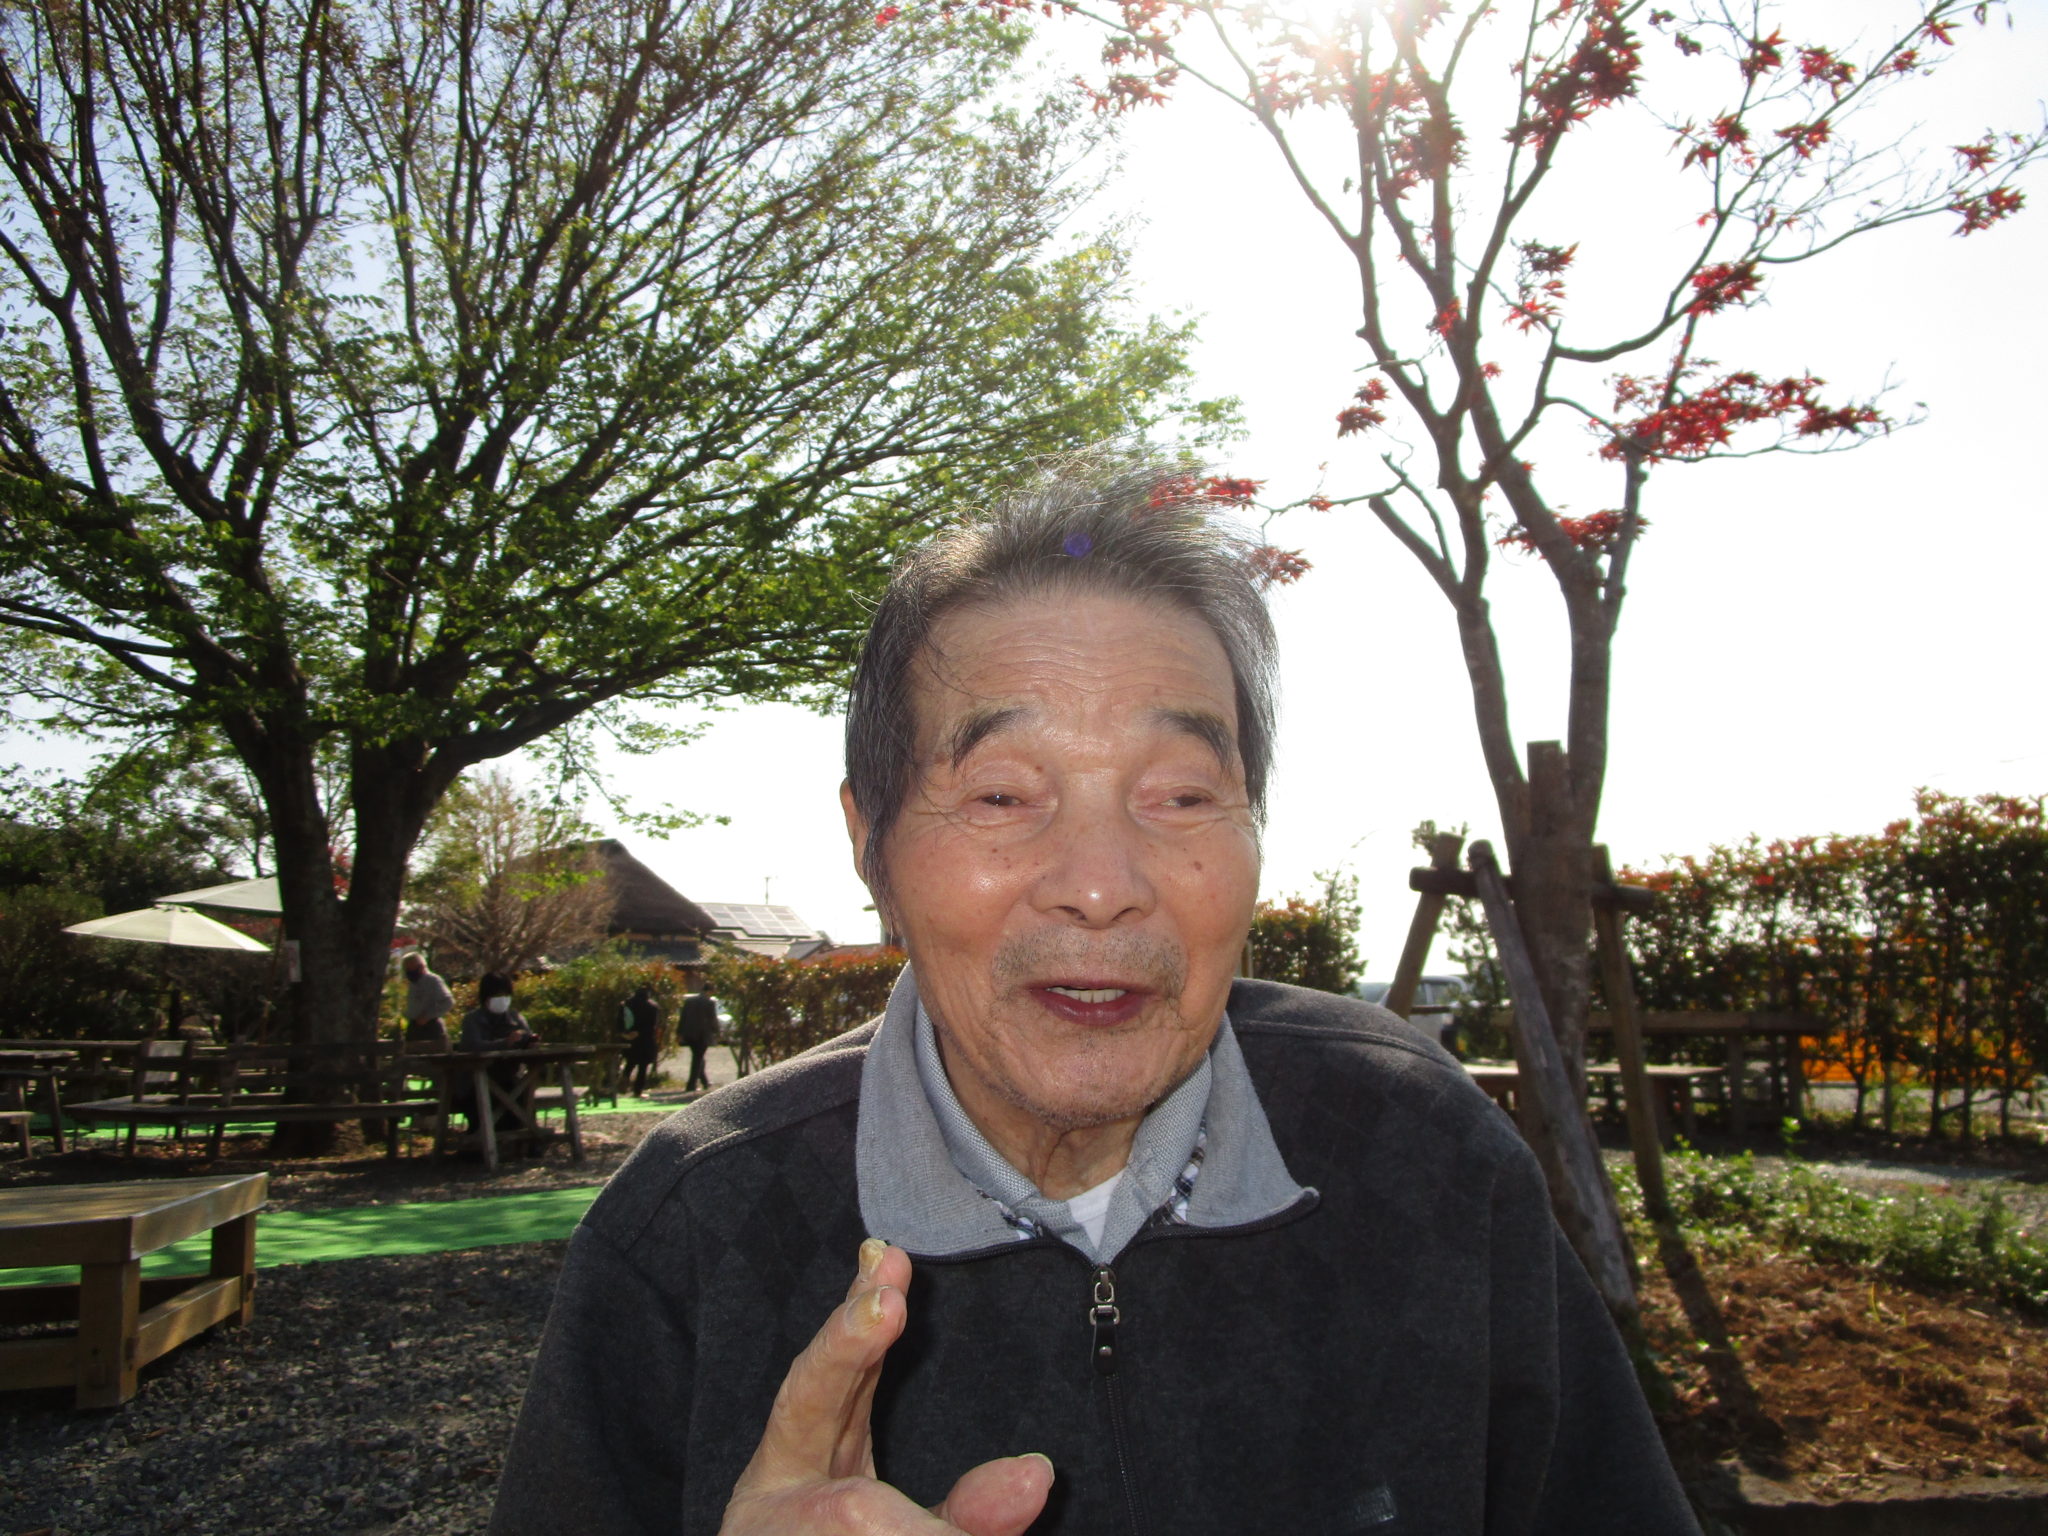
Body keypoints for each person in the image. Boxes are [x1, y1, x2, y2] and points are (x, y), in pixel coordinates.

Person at [490, 460, 1700, 1535]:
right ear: (870, 845)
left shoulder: (1420, 1150)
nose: (1101, 887)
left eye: (1180, 796)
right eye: (1001, 796)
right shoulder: (696, 1226)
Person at [458, 972, 538, 1132]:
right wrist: (505, 1043)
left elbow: (526, 1038)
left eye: (506, 995)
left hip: (509, 1079)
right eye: (497, 995)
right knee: (489, 1100)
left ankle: (530, 1138)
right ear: (486, 997)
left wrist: (529, 1043)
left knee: (522, 1095)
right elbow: (473, 1047)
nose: (502, 999)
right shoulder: (472, 1020)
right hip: (477, 1082)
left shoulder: (515, 1018)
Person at [400, 952, 455, 1052]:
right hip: (414, 1028)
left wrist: (427, 1016)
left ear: (421, 967)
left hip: (431, 1027)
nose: (409, 972)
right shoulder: (413, 983)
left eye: (411, 969)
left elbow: (448, 1002)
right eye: (407, 969)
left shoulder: (433, 980)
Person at [620, 984, 663, 1097]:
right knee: (643, 1067)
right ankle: (637, 1091)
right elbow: (653, 1026)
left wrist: (624, 1034)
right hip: (645, 1040)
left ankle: (622, 1085)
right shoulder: (652, 1006)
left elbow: (620, 1021)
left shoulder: (626, 1004)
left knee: (629, 1063)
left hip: (628, 1039)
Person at [676, 985, 720, 1094]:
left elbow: (683, 1017)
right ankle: (691, 1084)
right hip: (702, 1034)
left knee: (698, 1057)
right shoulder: (709, 1002)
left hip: (689, 1033)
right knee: (698, 1058)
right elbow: (712, 1019)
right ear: (709, 991)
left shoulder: (689, 1001)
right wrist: (717, 1032)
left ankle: (705, 1081)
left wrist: (679, 1032)